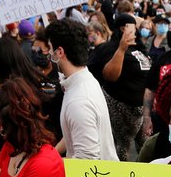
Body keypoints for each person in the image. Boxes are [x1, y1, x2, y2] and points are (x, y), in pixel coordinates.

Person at [45, 19, 118, 161]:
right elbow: (73, 136)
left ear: (59, 51)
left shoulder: (79, 101)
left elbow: (86, 162)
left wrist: (49, 164)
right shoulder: (83, 79)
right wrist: (52, 153)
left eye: (49, 47)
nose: (48, 52)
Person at [87, 13, 151, 160]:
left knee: (145, 147)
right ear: (123, 28)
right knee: (121, 149)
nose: (136, 30)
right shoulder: (111, 49)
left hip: (141, 109)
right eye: (132, 27)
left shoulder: (138, 47)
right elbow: (110, 75)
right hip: (121, 108)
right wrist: (121, 49)